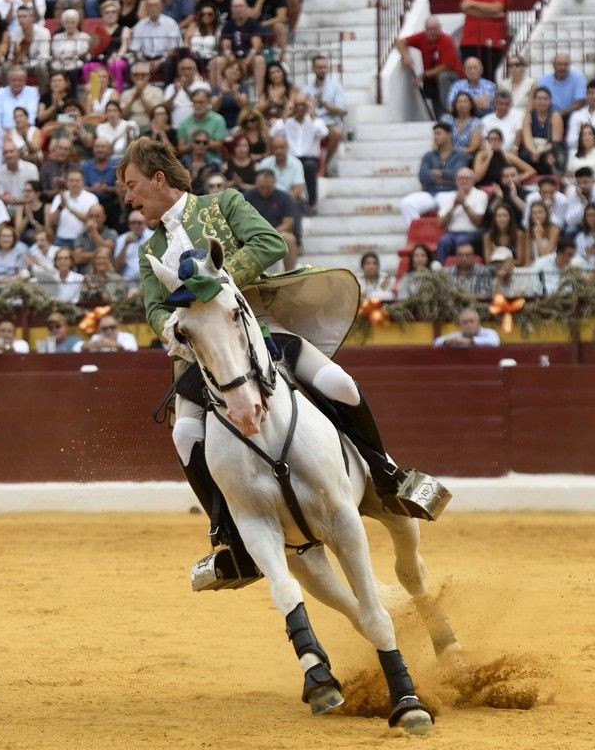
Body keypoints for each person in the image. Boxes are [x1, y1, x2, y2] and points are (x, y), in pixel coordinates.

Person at [119, 137, 444, 525]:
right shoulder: (148, 251)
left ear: (158, 179)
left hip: (258, 326)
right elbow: (155, 308)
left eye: (131, 186)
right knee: (185, 434)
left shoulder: (223, 204)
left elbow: (269, 242)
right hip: (201, 353)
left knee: (339, 384)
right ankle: (227, 535)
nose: (127, 198)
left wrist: (218, 282)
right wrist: (174, 328)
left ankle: (387, 476)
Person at [396, 15, 462, 118]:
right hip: (432, 79)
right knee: (432, 90)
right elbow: (400, 42)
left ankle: (449, 111)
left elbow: (447, 66)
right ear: (425, 29)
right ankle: (440, 119)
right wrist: (406, 56)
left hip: (452, 77)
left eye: (435, 29)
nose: (432, 32)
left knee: (442, 77)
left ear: (440, 28)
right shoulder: (423, 37)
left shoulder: (447, 40)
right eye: (429, 29)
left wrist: (423, 75)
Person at [459, 0, 508, 79]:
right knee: (470, 77)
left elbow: (497, 8)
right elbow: (465, 8)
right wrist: (492, 13)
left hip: (493, 42)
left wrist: (473, 4)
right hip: (470, 40)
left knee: (490, 77)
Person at [433, 307, 500, 348]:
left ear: (478, 322)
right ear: (460, 325)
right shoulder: (458, 336)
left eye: (471, 321)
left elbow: (495, 341)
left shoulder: (488, 332)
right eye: (465, 322)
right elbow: (437, 342)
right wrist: (447, 342)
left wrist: (470, 341)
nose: (469, 325)